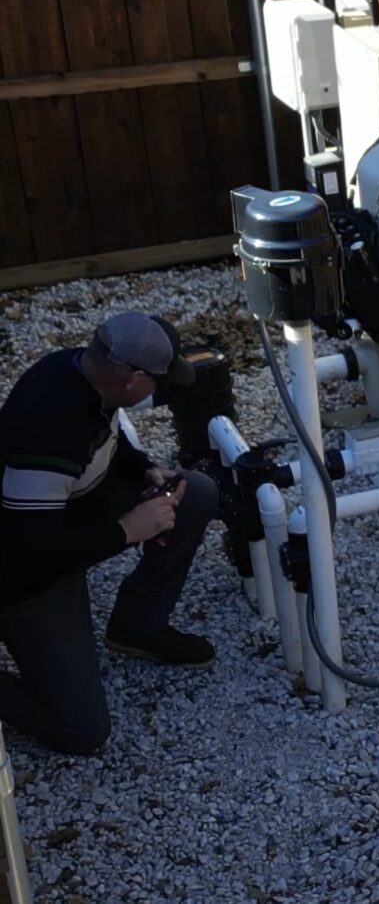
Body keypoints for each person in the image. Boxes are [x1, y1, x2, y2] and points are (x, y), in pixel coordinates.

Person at [0, 311, 220, 755]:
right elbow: (33, 553)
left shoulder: (84, 372)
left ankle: (138, 626)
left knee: (192, 493)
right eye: (159, 380)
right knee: (82, 731)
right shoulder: (48, 431)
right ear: (134, 379)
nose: (159, 390)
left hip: (65, 516)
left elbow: (109, 442)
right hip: (19, 571)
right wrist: (126, 531)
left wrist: (146, 470)